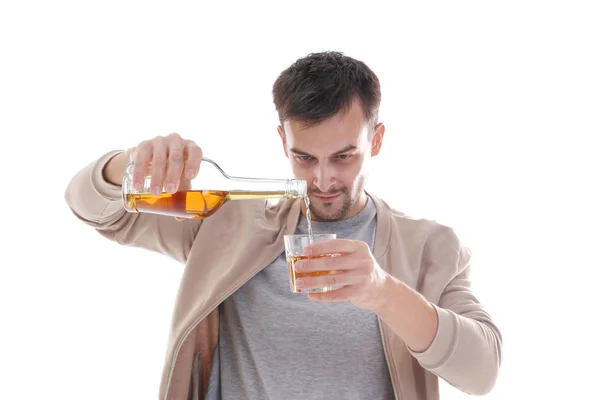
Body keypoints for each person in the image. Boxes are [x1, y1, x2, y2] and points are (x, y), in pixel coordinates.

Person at [65, 51, 502, 400]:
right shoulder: (226, 224)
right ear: (283, 141)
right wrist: (130, 164)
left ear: (378, 140)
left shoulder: (430, 246)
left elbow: (482, 373)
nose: (323, 180)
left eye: (344, 156)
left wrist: (382, 292)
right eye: (305, 157)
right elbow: (92, 208)